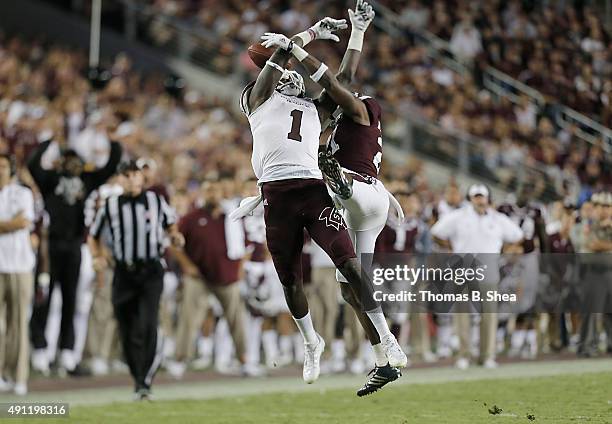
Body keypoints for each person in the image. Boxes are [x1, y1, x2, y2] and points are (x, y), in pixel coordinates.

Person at [234, 6, 406, 392]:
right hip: (276, 194)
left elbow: (341, 82)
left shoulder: (314, 109)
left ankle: (385, 336)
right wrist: (307, 34)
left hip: (314, 190)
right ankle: (312, 342)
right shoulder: (256, 99)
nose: (293, 78)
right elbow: (276, 61)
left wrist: (354, 36)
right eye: (287, 75)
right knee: (290, 280)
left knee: (349, 264)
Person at [89, 160, 184, 400]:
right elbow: (94, 235)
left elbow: (171, 225)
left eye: (135, 175)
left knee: (147, 323)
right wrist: (97, 256)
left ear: (141, 178)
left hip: (151, 270)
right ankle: (137, 378)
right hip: (123, 272)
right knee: (126, 326)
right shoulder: (110, 205)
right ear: (120, 180)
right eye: (126, 176)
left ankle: (145, 381)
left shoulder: (155, 200)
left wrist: (175, 237)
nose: (131, 180)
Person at [27, 137, 122, 374]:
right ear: (61, 162)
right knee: (44, 299)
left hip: (73, 248)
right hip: (49, 249)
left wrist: (113, 143)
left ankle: (66, 352)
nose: (72, 164)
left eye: (76, 160)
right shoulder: (50, 180)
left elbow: (111, 166)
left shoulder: (87, 181)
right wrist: (47, 142)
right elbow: (32, 165)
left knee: (70, 300)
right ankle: (40, 349)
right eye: (68, 160)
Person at [431, 184, 523, 369]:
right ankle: (464, 355)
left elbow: (517, 235)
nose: (480, 200)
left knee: (489, 314)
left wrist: (503, 249)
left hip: (489, 271)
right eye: (476, 197)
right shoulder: (459, 216)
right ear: (470, 198)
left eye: (482, 197)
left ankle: (487, 355)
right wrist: (451, 248)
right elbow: (436, 232)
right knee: (462, 314)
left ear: (488, 198)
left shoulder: (498, 219)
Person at [170, 179, 252, 376]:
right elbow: (174, 244)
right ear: (202, 194)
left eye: (215, 190)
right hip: (199, 276)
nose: (212, 194)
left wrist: (240, 268)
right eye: (208, 191)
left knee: (236, 320)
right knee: (189, 318)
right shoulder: (191, 218)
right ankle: (180, 360)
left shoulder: (232, 216)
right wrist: (187, 265)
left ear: (221, 192)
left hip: (227, 274)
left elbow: (246, 245)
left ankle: (245, 361)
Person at [0, 154, 35, 395]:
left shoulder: (23, 193)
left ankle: (19, 376)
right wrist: (9, 224)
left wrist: (5, 225)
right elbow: (16, 222)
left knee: (19, 324)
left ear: (11, 170)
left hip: (21, 266)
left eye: (2, 166)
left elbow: (24, 222)